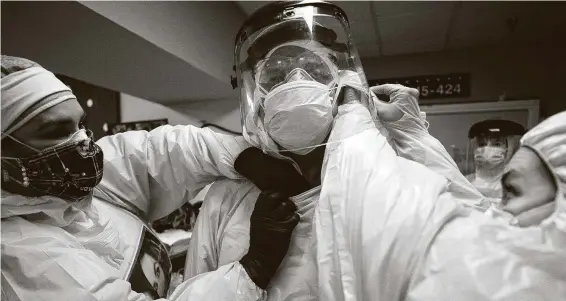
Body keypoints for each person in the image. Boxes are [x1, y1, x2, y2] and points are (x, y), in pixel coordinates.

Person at [184, 2, 485, 300]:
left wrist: (414, 138)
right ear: (256, 97)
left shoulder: (387, 169)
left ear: (340, 82)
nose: (295, 81)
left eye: (314, 69)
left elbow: (477, 254)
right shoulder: (227, 198)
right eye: (275, 76)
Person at [0, 55, 299, 300]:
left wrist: (240, 156)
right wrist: (253, 268)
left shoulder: (79, 192)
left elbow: (161, 152)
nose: (82, 143)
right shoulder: (22, 259)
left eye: (81, 124)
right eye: (54, 132)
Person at [465, 119, 526, 205]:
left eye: (496, 144)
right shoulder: (464, 182)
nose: (486, 149)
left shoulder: (520, 186)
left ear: (513, 147)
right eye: (482, 144)